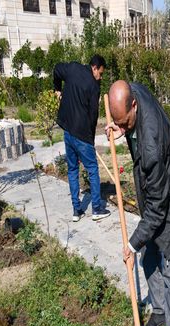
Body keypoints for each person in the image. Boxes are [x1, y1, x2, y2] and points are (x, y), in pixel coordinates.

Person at [106, 80, 170, 326]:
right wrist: (123, 128)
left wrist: (131, 245)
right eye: (117, 121)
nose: (120, 127)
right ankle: (159, 312)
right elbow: (154, 206)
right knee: (150, 258)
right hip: (158, 190)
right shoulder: (135, 92)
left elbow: (157, 212)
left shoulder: (151, 146)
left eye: (124, 122)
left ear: (134, 104)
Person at [54, 54, 110, 222]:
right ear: (94, 67)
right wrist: (91, 140)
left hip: (68, 131)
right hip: (82, 135)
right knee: (92, 169)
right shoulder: (94, 86)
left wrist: (57, 89)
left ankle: (76, 211)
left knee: (72, 170)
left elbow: (56, 69)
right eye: (100, 73)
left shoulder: (72, 68)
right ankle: (97, 209)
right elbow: (93, 116)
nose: (101, 77)